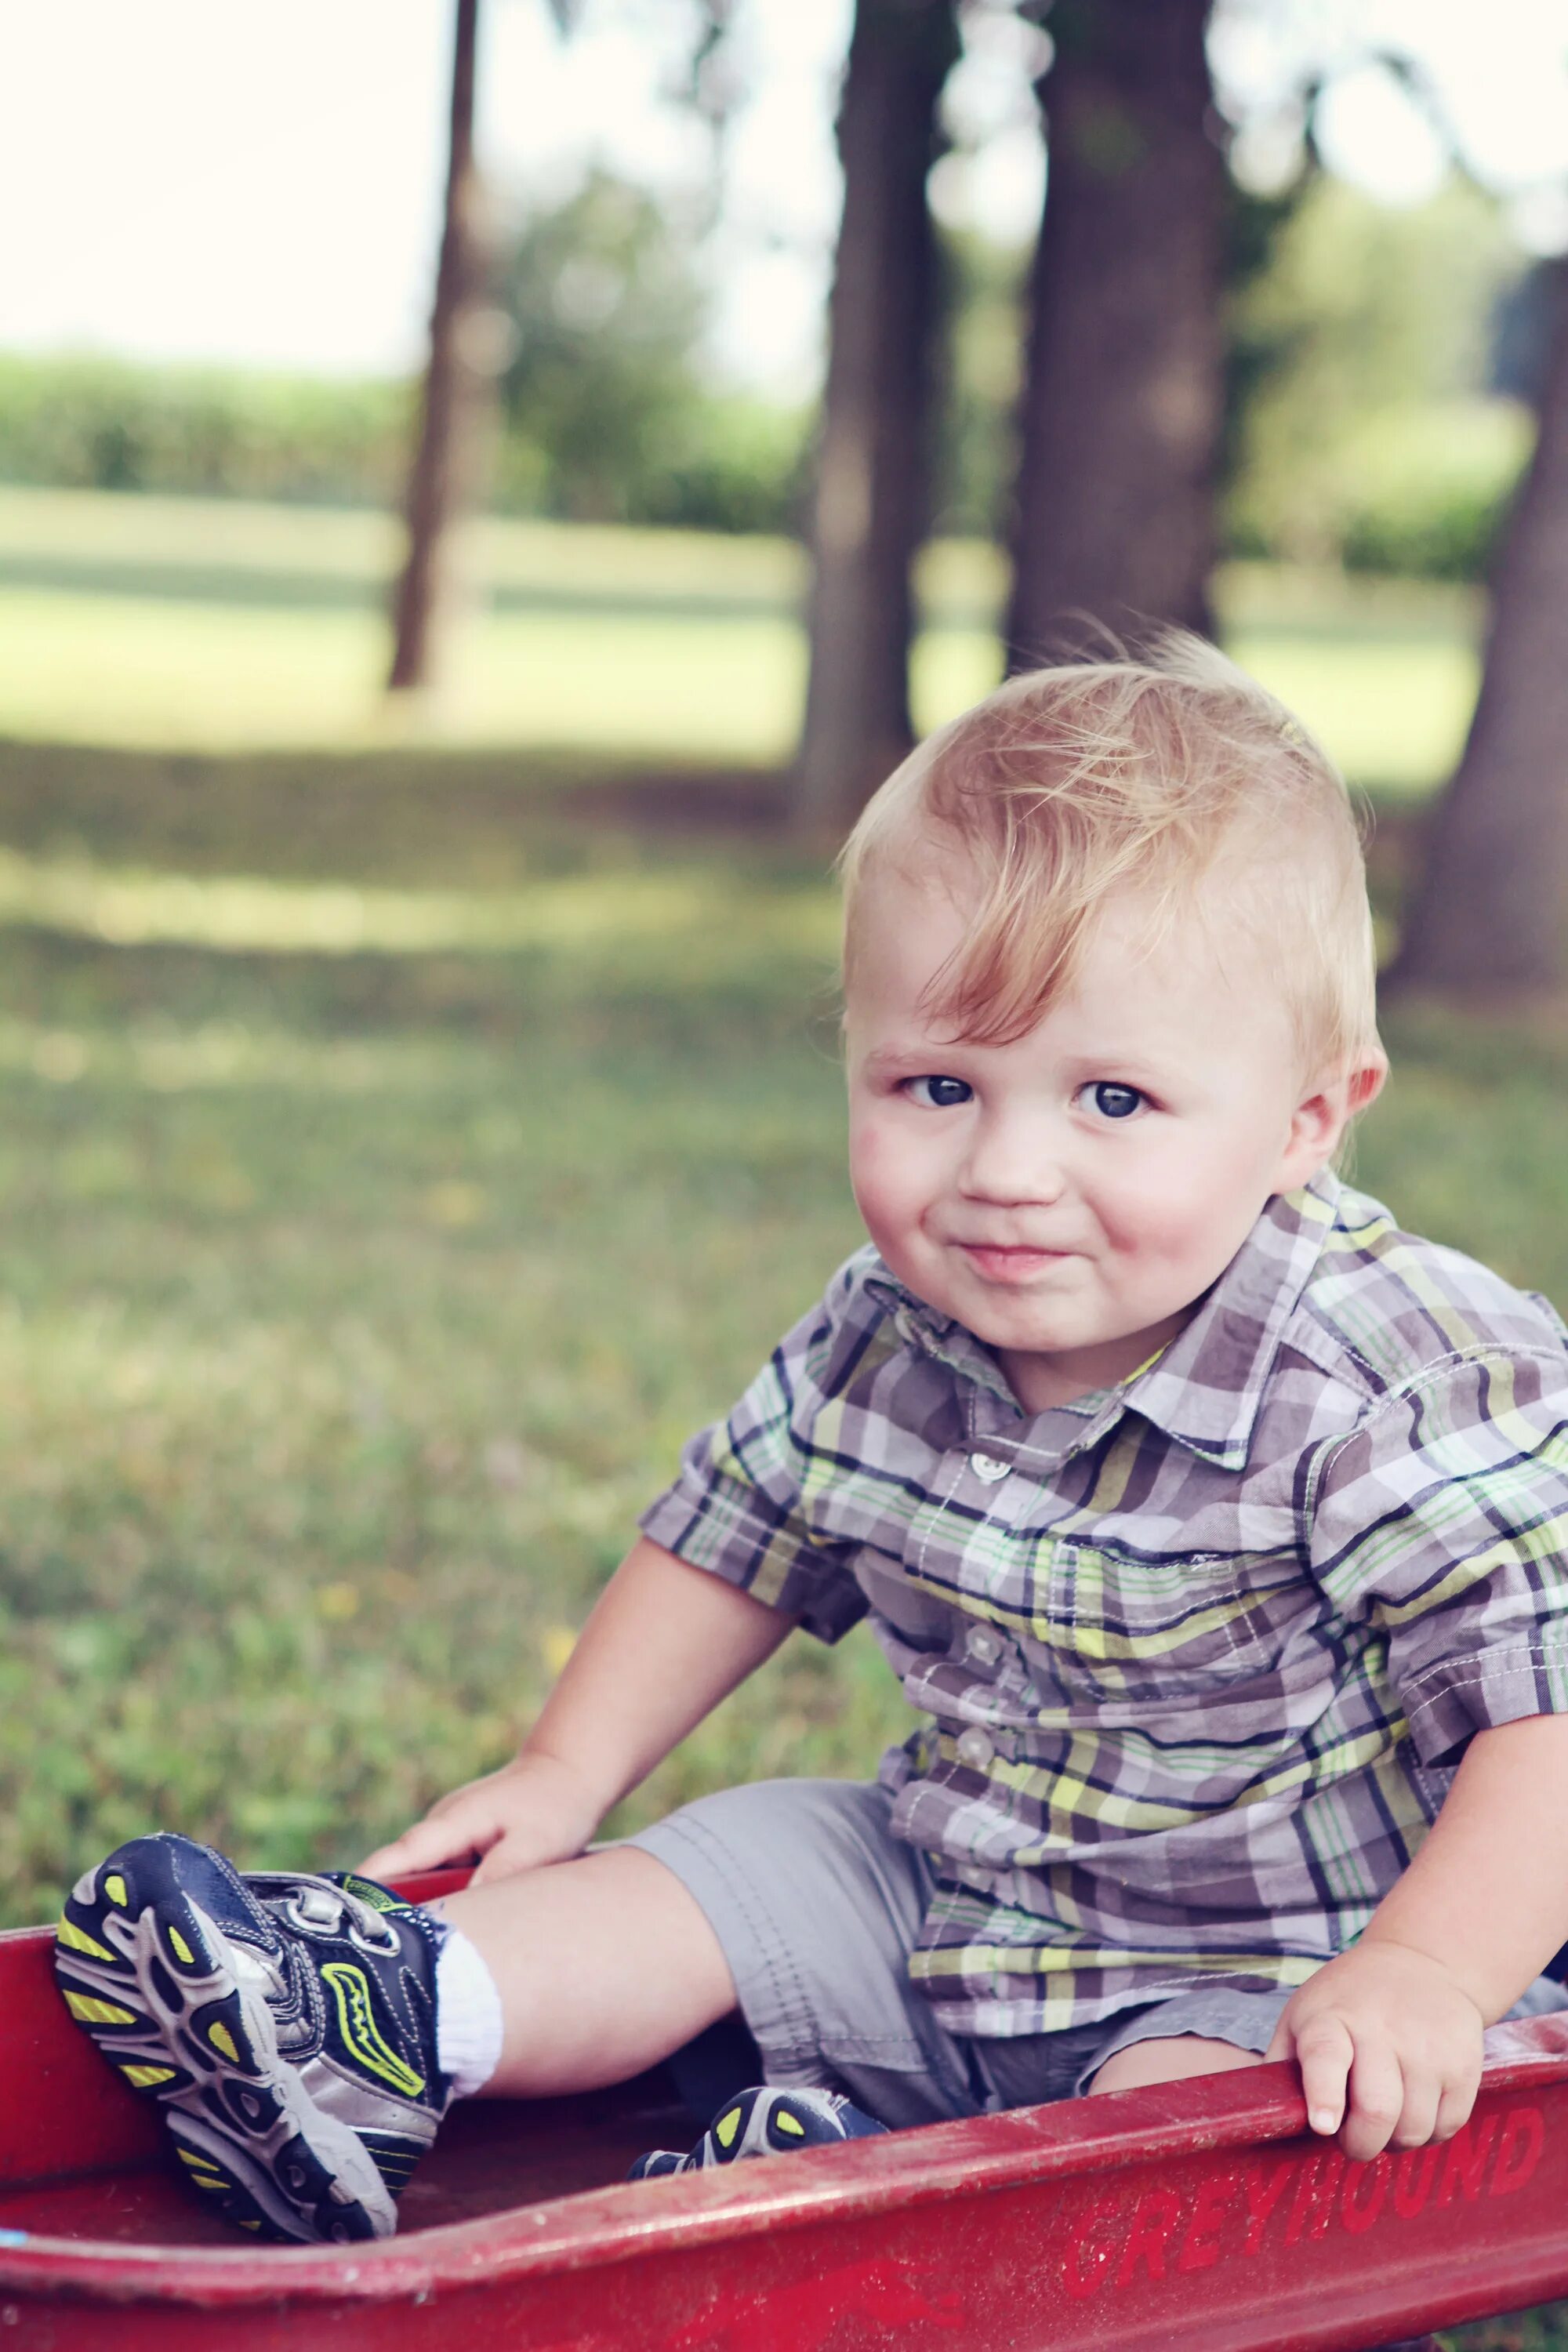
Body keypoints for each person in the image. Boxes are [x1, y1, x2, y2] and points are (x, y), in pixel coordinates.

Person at [54, 639, 1568, 2280]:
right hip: (959, 1903)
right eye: (937, 1085)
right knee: (743, 1858)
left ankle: (870, 2200)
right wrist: (567, 1769)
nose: (1005, 1170)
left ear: (1304, 1121)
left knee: (1211, 2122)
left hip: (1281, 1964)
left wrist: (1427, 1971)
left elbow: (1545, 1714)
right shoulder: (890, 1326)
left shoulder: (1388, 1376)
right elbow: (739, 1528)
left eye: (1112, 1100)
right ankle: (378, 2024)